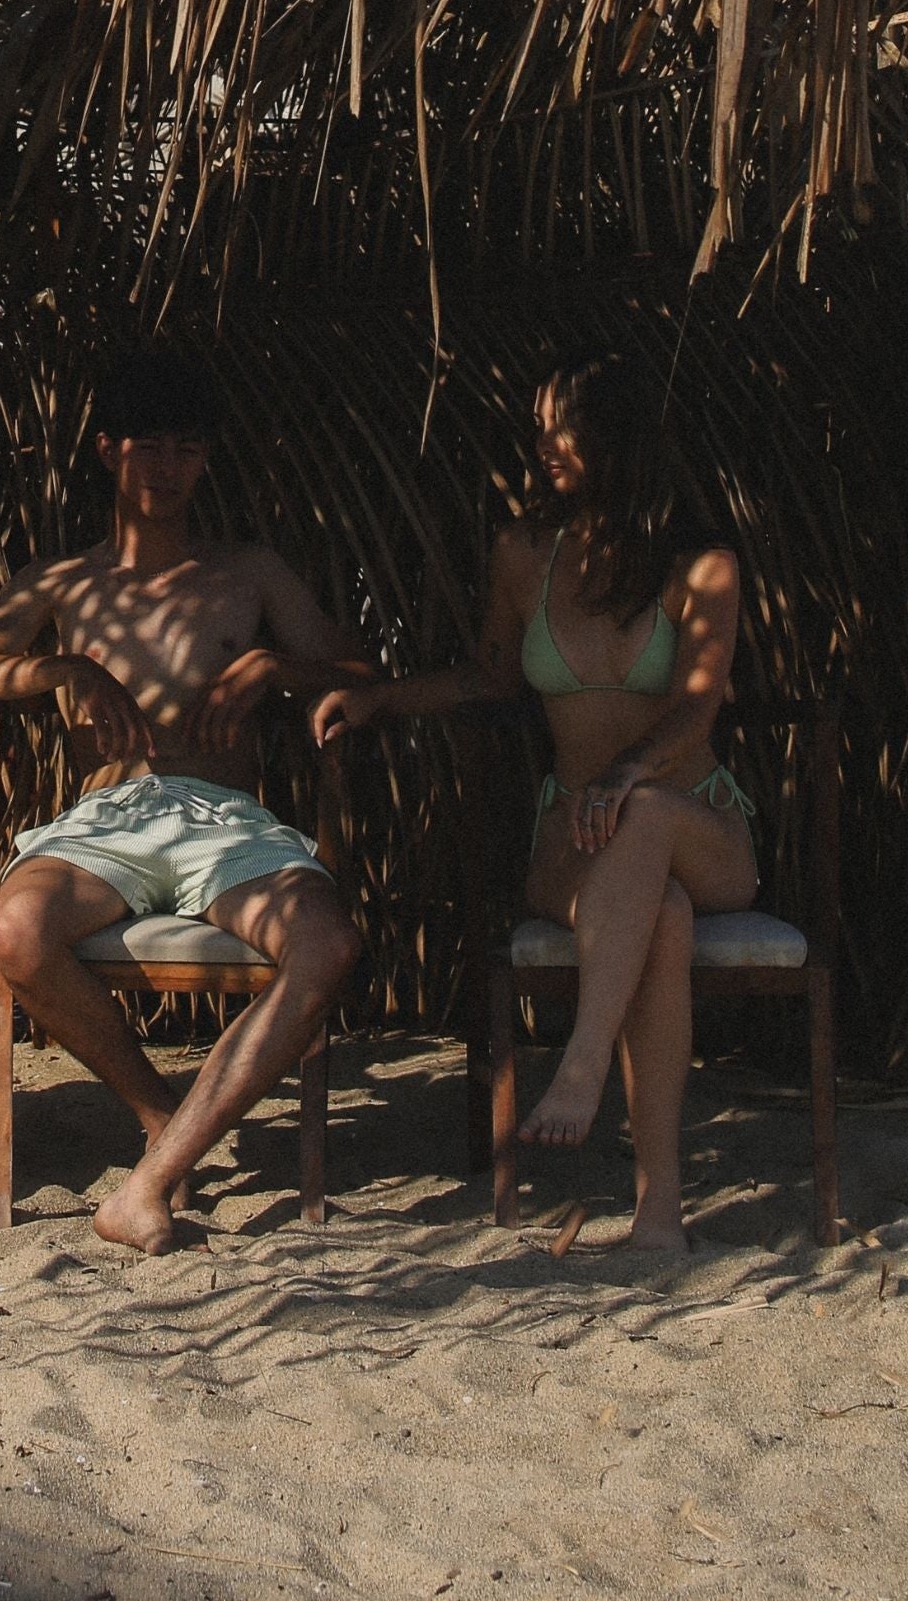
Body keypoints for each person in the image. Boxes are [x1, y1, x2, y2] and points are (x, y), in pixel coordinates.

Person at [0, 350, 370, 1255]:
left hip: (225, 822)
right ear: (105, 452)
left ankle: (149, 1186)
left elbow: (360, 676)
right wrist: (57, 666)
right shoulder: (66, 583)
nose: (166, 468)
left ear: (207, 461)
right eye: (147, 447)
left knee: (328, 944)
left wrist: (280, 666)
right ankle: (161, 1114)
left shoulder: (250, 572)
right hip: (108, 820)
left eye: (187, 449)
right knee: (13, 933)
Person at [312, 353, 756, 1250]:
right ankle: (658, 1214)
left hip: (694, 819)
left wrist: (630, 769)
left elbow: (701, 698)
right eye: (540, 425)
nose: (542, 444)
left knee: (653, 823)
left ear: (617, 438)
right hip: (577, 837)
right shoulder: (523, 553)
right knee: (657, 911)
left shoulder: (700, 566)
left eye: (563, 426)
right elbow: (488, 677)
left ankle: (583, 1061)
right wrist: (381, 698)